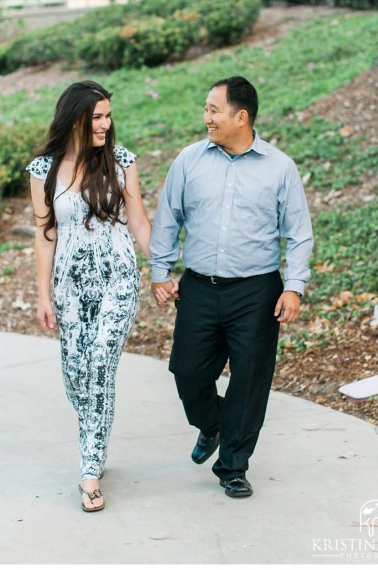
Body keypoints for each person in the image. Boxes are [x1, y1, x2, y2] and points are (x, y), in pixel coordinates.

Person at [149, 75, 314, 498]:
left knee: (250, 379)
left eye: (213, 110)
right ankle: (212, 424)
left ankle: (233, 466)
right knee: (187, 372)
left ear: (241, 117)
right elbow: (168, 218)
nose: (206, 117)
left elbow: (297, 233)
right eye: (206, 109)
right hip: (199, 289)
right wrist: (160, 271)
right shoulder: (189, 160)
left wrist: (292, 286)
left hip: (256, 292)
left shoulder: (280, 167)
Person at [26, 80, 154, 512]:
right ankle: (96, 438)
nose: (106, 124)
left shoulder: (120, 162)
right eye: (97, 116)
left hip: (117, 279)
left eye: (108, 115)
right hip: (69, 286)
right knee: (77, 376)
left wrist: (161, 267)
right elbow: (46, 234)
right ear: (75, 119)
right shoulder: (42, 169)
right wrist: (43, 295)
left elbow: (137, 222)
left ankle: (90, 470)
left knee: (99, 364)